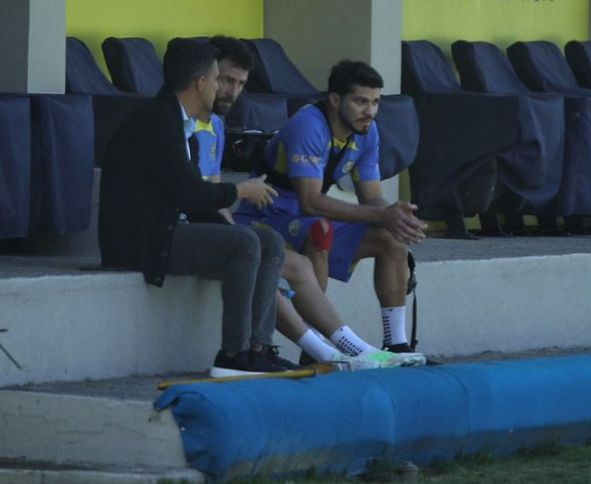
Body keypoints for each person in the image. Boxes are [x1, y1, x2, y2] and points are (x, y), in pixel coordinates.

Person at [195, 36, 425, 369]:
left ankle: (396, 344)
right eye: (361, 102)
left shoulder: (367, 131)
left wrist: (395, 217)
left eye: (375, 103)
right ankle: (322, 349)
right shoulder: (309, 125)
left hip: (298, 218)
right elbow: (311, 202)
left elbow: (372, 197)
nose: (370, 111)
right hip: (270, 216)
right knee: (319, 229)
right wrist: (381, 213)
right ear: (335, 99)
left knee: (392, 238)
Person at [98, 39, 297, 377]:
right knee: (244, 243)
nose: (223, 88)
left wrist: (230, 224)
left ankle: (258, 348)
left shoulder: (181, 125)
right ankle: (233, 355)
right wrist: (240, 190)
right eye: (219, 78)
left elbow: (193, 199)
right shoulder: (156, 122)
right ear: (201, 82)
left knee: (268, 241)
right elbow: (192, 194)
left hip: (167, 229)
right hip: (140, 241)